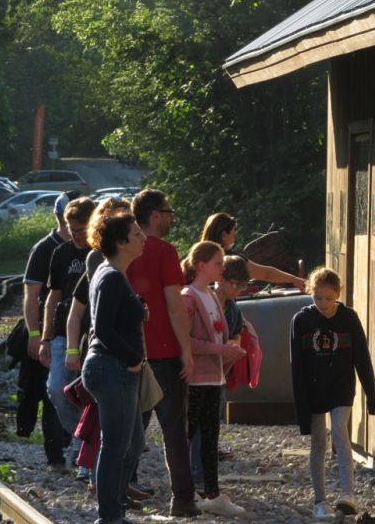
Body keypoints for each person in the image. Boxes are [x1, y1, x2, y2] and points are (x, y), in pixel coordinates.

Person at [125, 188, 200, 517]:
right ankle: (182, 500)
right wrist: (186, 349)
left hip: (130, 356)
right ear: (155, 215)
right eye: (168, 212)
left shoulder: (121, 250)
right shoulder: (165, 252)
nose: (171, 217)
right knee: (174, 431)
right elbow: (174, 304)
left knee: (129, 430)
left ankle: (119, 490)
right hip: (166, 354)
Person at [290, 267, 375, 519]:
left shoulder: (349, 318)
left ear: (338, 294)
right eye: (317, 297)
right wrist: (301, 411)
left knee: (339, 430)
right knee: (318, 442)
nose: (322, 304)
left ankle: (348, 494)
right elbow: (297, 367)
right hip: (313, 389)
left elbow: (362, 358)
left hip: (341, 387)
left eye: (328, 298)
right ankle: (320, 501)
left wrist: (372, 398)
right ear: (311, 293)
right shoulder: (301, 321)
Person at [82, 207, 147, 524]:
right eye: (137, 234)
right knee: (116, 445)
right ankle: (109, 516)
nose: (143, 237)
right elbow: (102, 329)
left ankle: (115, 510)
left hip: (117, 369)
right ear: (121, 242)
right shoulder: (110, 276)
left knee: (134, 444)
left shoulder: (114, 275)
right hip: (112, 369)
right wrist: (134, 358)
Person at [180, 241, 246, 517]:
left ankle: (212, 493)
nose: (222, 268)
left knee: (210, 437)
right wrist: (222, 349)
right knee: (187, 435)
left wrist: (230, 349)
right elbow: (186, 341)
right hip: (195, 379)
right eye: (219, 263)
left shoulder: (211, 296)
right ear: (202, 266)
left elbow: (216, 335)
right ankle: (184, 494)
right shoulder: (189, 296)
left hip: (214, 378)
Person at [18, 190, 81, 472]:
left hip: (84, 331)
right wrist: (35, 334)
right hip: (53, 331)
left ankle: (81, 443)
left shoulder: (93, 246)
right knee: (52, 392)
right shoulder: (45, 249)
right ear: (59, 216)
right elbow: (33, 295)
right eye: (70, 219)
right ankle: (56, 455)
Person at [39, 196, 95, 480]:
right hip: (62, 333)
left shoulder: (100, 254)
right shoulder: (60, 253)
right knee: (56, 389)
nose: (77, 235)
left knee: (91, 393)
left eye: (82, 229)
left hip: (93, 335)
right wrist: (44, 338)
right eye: (73, 229)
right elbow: (53, 298)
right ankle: (81, 437)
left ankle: (86, 447)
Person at [190, 254, 250, 484]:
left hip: (219, 373)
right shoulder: (201, 298)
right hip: (197, 373)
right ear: (220, 278)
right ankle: (195, 473)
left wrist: (234, 347)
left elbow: (235, 334)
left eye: (242, 286)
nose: (238, 290)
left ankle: (205, 473)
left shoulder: (234, 309)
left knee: (212, 426)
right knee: (195, 426)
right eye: (235, 284)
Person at [200, 212, 305, 290]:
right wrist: (295, 279)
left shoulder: (195, 258)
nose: (233, 240)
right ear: (223, 235)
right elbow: (267, 274)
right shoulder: (232, 259)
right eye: (232, 236)